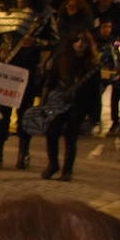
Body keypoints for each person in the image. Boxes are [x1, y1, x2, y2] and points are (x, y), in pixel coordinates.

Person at [0, 0, 54, 171]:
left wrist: (36, 42)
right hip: (4, 68)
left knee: (25, 113)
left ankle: (24, 153)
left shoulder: (42, 14)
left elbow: (55, 41)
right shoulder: (0, 10)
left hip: (28, 69)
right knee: (0, 114)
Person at [37, 28, 98, 181]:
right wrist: (44, 102)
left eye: (83, 41)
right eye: (77, 40)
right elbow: (50, 80)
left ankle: (67, 170)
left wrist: (94, 116)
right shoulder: (62, 59)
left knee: (71, 137)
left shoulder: (92, 65)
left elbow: (95, 92)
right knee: (52, 133)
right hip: (59, 101)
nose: (79, 44)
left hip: (79, 104)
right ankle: (53, 164)